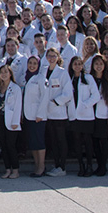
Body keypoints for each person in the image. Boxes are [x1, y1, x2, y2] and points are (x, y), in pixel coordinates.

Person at [66, 55, 101, 177]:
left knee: (88, 142)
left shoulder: (88, 78)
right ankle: (81, 166)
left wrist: (85, 105)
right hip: (74, 115)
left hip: (86, 115)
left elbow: (96, 96)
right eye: (75, 64)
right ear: (71, 66)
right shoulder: (68, 79)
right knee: (76, 142)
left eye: (79, 64)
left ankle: (90, 166)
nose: (77, 66)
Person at [43, 48, 73, 177]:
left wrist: (55, 102)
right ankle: (56, 165)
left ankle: (62, 166)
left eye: (54, 56)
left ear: (58, 57)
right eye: (49, 56)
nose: (51, 58)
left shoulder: (62, 73)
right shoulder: (43, 71)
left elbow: (68, 93)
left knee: (61, 139)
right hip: (47, 112)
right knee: (53, 140)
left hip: (59, 111)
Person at [21, 55, 48, 177]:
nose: (32, 65)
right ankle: (36, 165)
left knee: (39, 142)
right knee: (33, 142)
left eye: (34, 63)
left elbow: (44, 98)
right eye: (30, 63)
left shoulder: (41, 79)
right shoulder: (25, 78)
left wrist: (40, 114)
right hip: (28, 115)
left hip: (38, 116)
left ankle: (41, 167)